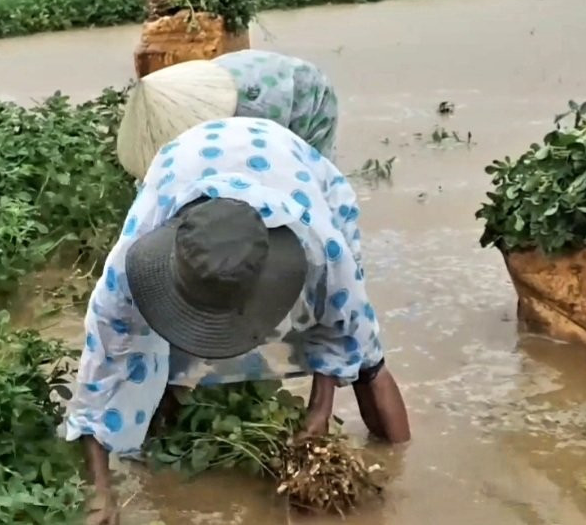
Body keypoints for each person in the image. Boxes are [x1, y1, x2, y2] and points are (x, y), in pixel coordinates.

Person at [63, 116, 410, 524]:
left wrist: (320, 409)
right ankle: (168, 417)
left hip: (288, 162)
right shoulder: (129, 266)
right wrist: (101, 493)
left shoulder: (322, 250)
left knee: (367, 359)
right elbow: (99, 380)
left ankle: (405, 469)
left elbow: (341, 334)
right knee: (149, 356)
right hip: (186, 160)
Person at [116, 49, 340, 181]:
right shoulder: (162, 116)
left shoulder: (251, 119)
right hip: (239, 75)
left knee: (307, 178)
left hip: (298, 92)